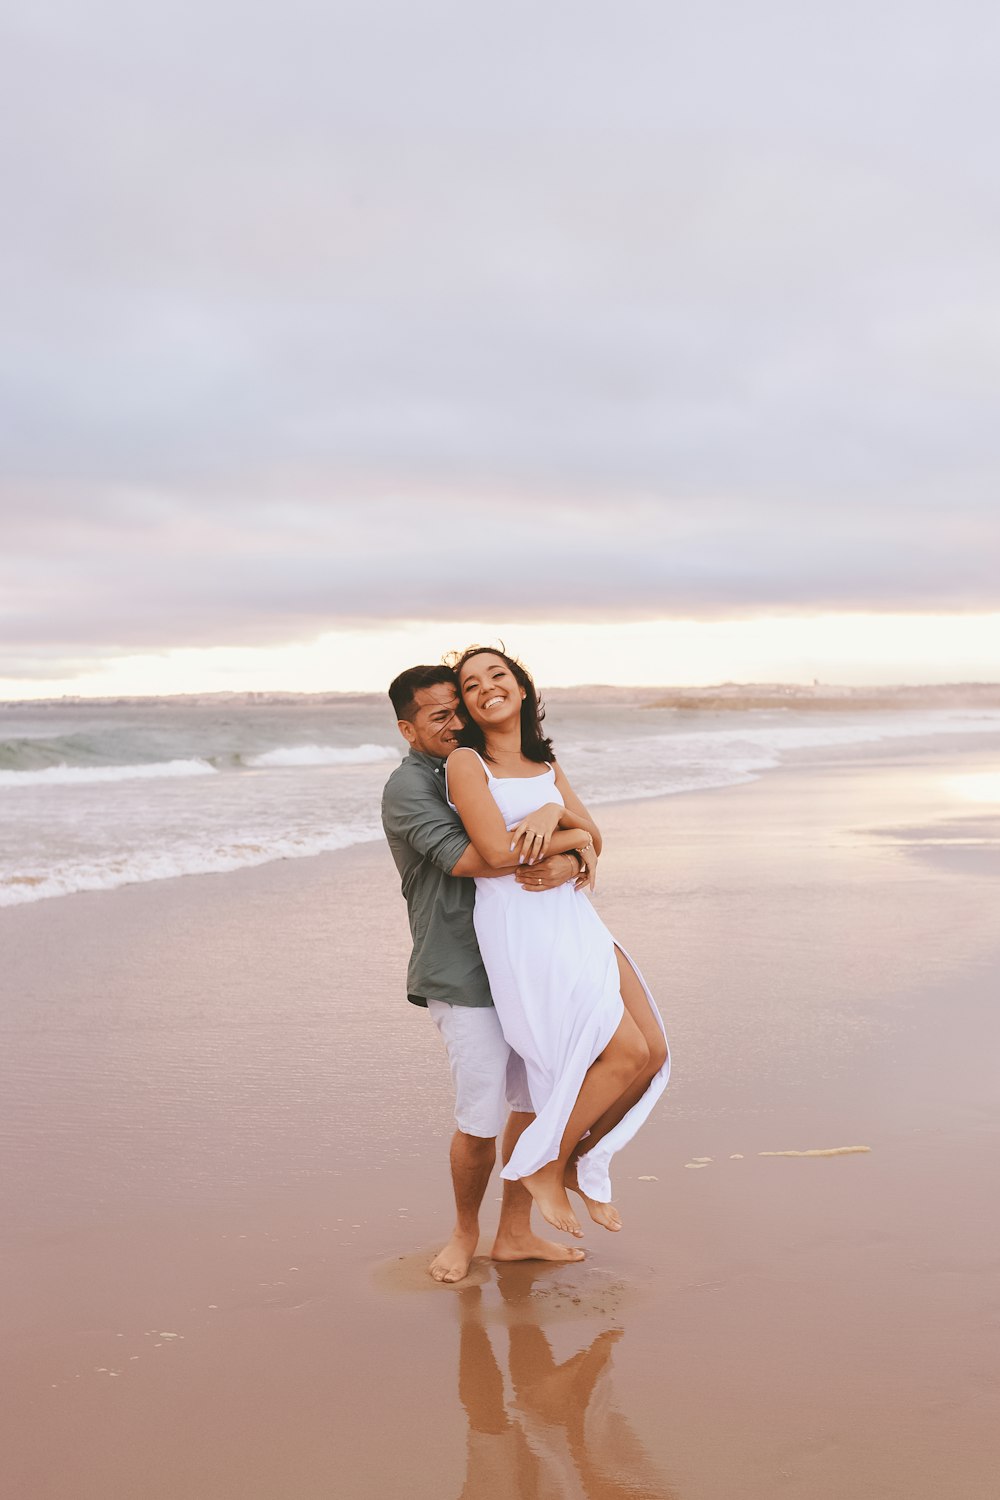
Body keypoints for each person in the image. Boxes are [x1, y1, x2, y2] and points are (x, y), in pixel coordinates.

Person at [445, 647, 669, 1239]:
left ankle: (570, 1160)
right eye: (471, 685)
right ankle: (548, 1163)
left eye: (498, 675)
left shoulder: (543, 761)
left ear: (521, 687)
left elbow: (595, 834)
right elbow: (497, 852)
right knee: (619, 1051)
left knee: (652, 1054)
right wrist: (570, 839)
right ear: (466, 705)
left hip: (572, 914)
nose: (487, 688)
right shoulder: (468, 762)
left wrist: (562, 830)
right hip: (524, 926)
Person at [381, 663, 587, 1283]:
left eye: (458, 709)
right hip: (462, 968)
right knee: (480, 1113)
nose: (454, 723)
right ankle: (465, 1232)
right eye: (438, 715)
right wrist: (571, 840)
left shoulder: (477, 766)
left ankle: (515, 1233)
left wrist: (572, 847)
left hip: (522, 958)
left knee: (530, 1098)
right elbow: (480, 858)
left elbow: (536, 825)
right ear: (408, 729)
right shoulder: (411, 786)